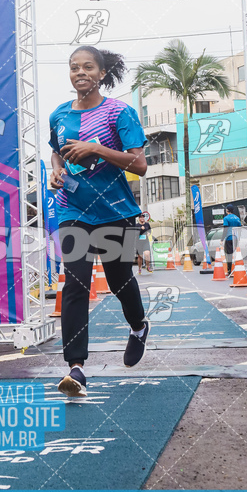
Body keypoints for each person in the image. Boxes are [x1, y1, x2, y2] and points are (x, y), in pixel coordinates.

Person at [50, 45, 150, 398]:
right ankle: (75, 368)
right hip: (72, 210)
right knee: (75, 283)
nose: (80, 72)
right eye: (74, 67)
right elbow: (56, 151)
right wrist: (57, 171)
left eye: (88, 67)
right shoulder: (59, 115)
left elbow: (139, 165)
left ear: (102, 74)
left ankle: (138, 326)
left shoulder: (119, 113)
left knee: (119, 279)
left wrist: (96, 149)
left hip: (115, 212)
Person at [222, 203, 242, 276]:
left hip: (229, 238)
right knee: (236, 254)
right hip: (236, 238)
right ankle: (238, 268)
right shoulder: (237, 218)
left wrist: (222, 239)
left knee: (229, 255)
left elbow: (225, 229)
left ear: (227, 210)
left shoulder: (226, 218)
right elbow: (240, 228)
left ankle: (230, 270)